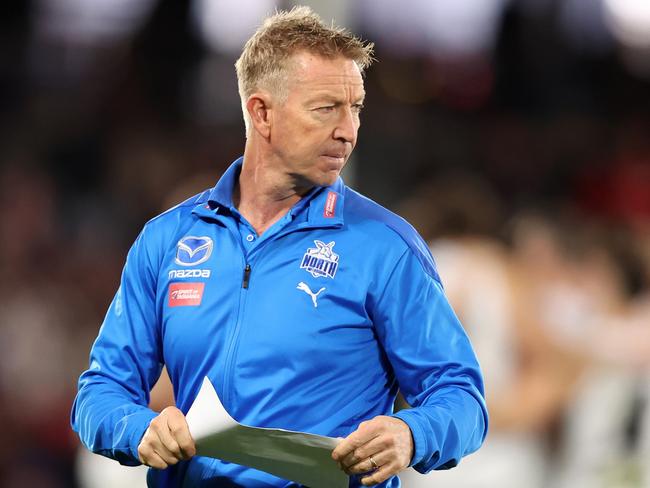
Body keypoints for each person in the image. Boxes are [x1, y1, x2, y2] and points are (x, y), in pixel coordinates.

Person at [71, 6, 487, 487]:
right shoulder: (169, 240)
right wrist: (139, 429)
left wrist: (411, 433)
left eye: (356, 108)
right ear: (261, 112)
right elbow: (99, 392)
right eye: (326, 108)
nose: (348, 130)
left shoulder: (386, 248)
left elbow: (462, 398)